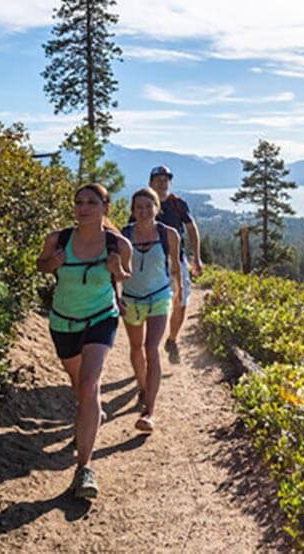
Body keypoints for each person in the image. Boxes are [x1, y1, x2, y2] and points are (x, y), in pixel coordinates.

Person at [36, 183, 132, 500]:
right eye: (79, 202)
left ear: (106, 207)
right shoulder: (58, 239)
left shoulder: (117, 244)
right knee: (80, 387)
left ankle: (84, 469)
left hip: (101, 318)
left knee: (90, 384)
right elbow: (42, 265)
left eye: (92, 202)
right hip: (63, 321)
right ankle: (89, 414)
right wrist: (54, 263)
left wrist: (118, 270)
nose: (84, 207)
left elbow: (125, 274)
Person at [120, 188, 183, 433]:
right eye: (139, 207)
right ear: (133, 211)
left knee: (151, 348)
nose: (144, 211)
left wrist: (177, 294)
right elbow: (115, 269)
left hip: (159, 297)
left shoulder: (169, 235)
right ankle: (143, 387)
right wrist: (116, 297)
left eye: (148, 206)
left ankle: (150, 411)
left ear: (157, 207)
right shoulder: (123, 236)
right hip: (131, 299)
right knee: (136, 348)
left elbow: (175, 266)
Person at [146, 165, 202, 362]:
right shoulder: (145, 203)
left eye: (165, 179)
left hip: (176, 260)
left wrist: (197, 257)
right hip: (152, 263)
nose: (162, 182)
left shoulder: (178, 204)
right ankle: (151, 346)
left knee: (181, 302)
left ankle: (172, 339)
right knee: (152, 305)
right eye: (158, 179)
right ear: (151, 182)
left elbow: (191, 228)